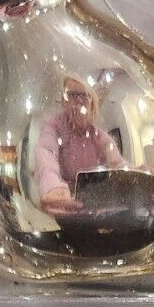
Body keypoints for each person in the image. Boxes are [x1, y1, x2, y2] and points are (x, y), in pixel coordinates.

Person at [32, 76, 128, 218]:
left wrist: (139, 176)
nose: (79, 100)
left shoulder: (99, 136)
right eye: (72, 95)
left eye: (84, 95)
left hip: (95, 210)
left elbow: (117, 163)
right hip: (63, 208)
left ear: (92, 103)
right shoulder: (54, 126)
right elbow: (46, 150)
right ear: (64, 101)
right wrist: (52, 185)